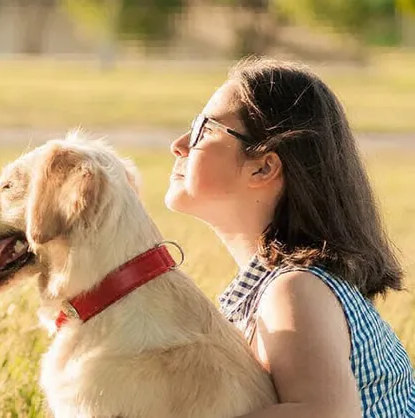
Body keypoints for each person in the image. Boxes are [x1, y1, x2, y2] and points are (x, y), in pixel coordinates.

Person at [164, 57, 415, 417]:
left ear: (263, 166)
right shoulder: (272, 290)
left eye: (205, 128)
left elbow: (325, 413)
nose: (180, 143)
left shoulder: (296, 290)